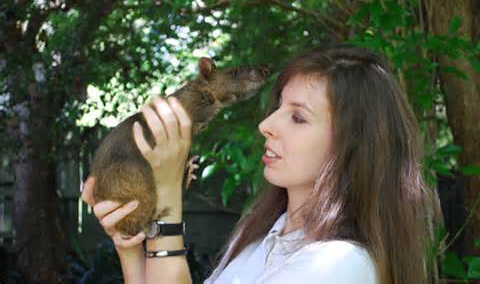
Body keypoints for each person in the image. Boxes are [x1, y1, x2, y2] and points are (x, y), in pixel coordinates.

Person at [82, 43, 431, 284]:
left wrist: (167, 209)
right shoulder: (261, 238)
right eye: (278, 106)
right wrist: (129, 249)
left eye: (297, 117)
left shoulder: (339, 265)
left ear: (353, 144)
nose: (266, 125)